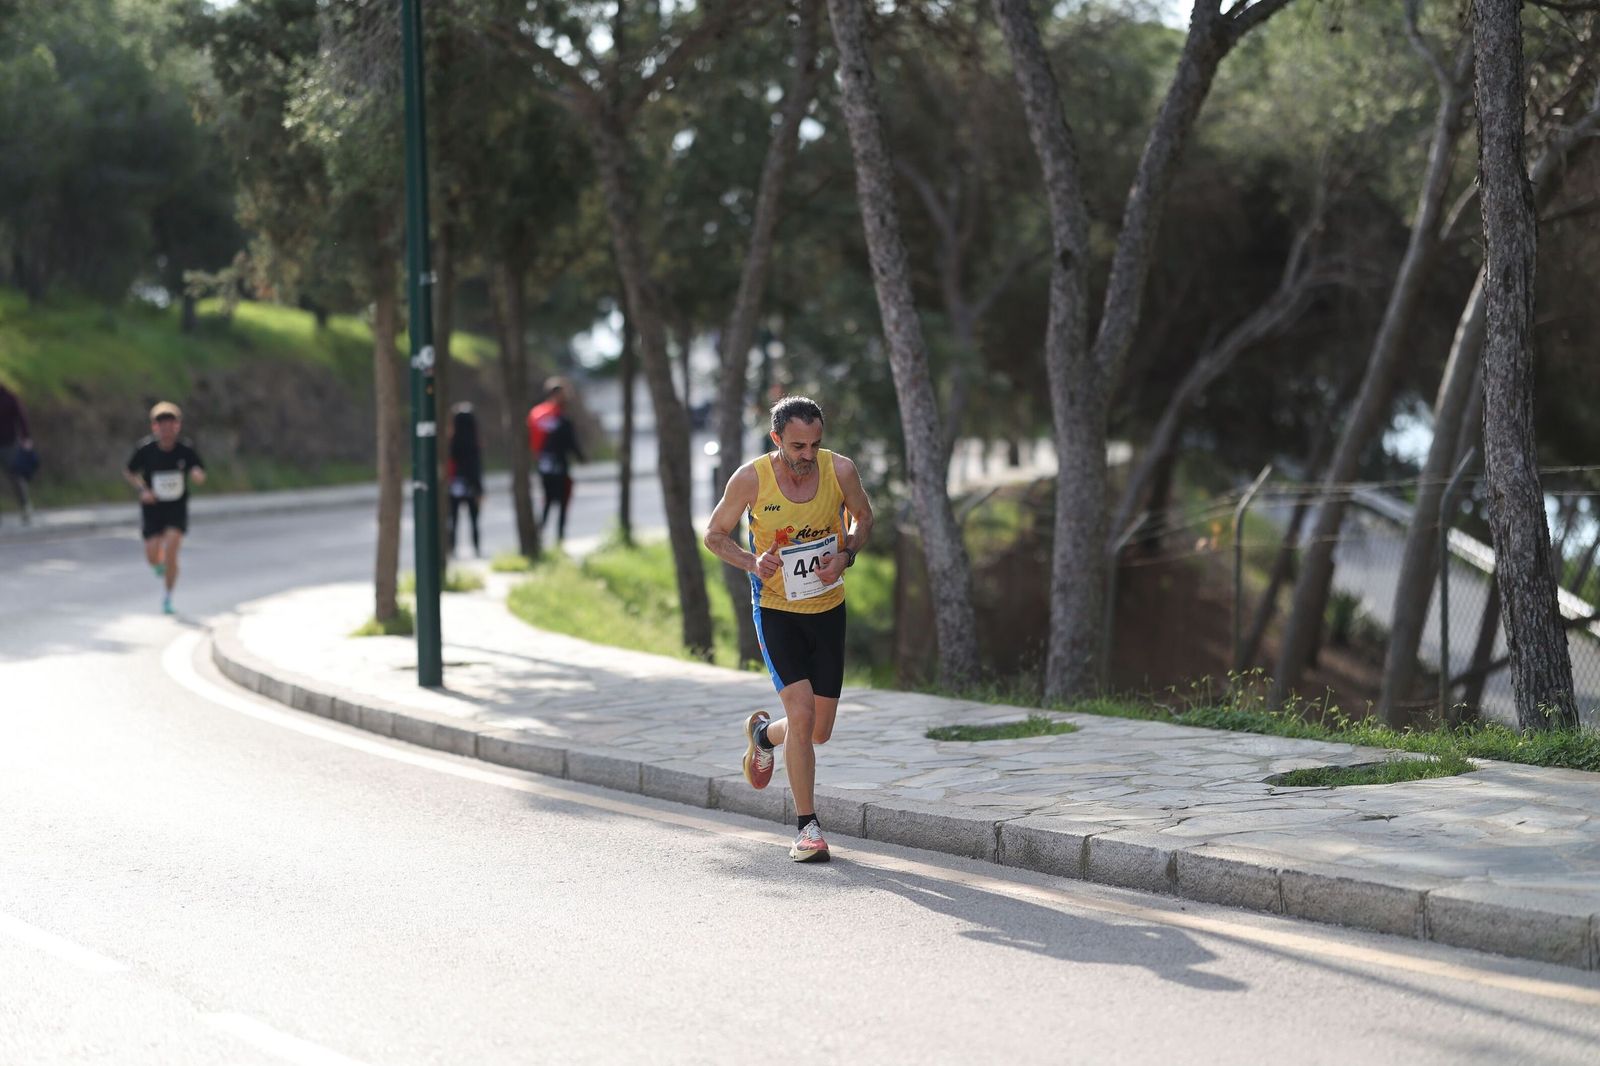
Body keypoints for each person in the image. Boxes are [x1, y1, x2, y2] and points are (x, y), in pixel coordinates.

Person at [703, 396, 874, 862]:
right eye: (797, 446)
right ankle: (807, 829)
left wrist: (847, 554)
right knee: (800, 716)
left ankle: (762, 737)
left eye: (815, 444)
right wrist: (751, 562)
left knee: (818, 732)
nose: (807, 455)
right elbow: (714, 534)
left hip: (828, 608)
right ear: (776, 438)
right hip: (776, 610)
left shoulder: (839, 471)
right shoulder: (750, 479)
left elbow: (864, 518)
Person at [124, 402, 206, 614]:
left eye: (171, 424)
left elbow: (198, 468)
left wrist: (197, 474)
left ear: (177, 426)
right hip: (153, 508)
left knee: (171, 549)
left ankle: (168, 596)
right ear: (155, 427)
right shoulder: (146, 449)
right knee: (152, 553)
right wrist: (143, 490)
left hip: (176, 508)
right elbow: (130, 471)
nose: (166, 429)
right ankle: (159, 565)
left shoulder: (185, 449)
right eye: (162, 425)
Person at [526, 378, 585, 543]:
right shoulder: (559, 416)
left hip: (543, 464)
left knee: (548, 499)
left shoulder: (536, 413)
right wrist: (581, 458)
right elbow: (569, 441)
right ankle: (558, 536)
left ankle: (541, 534)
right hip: (558, 464)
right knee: (562, 499)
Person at [447, 403, 485, 557]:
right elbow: (476, 469)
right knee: (474, 520)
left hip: (454, 485)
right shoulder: (474, 445)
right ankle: (476, 547)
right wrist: (479, 489)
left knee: (453, 520)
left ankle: (452, 548)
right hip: (470, 486)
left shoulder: (450, 443)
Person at [0, 383, 34, 526]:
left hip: (9, 443)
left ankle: (25, 506)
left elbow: (22, 416)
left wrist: (26, 437)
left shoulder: (9, 397)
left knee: (15, 476)